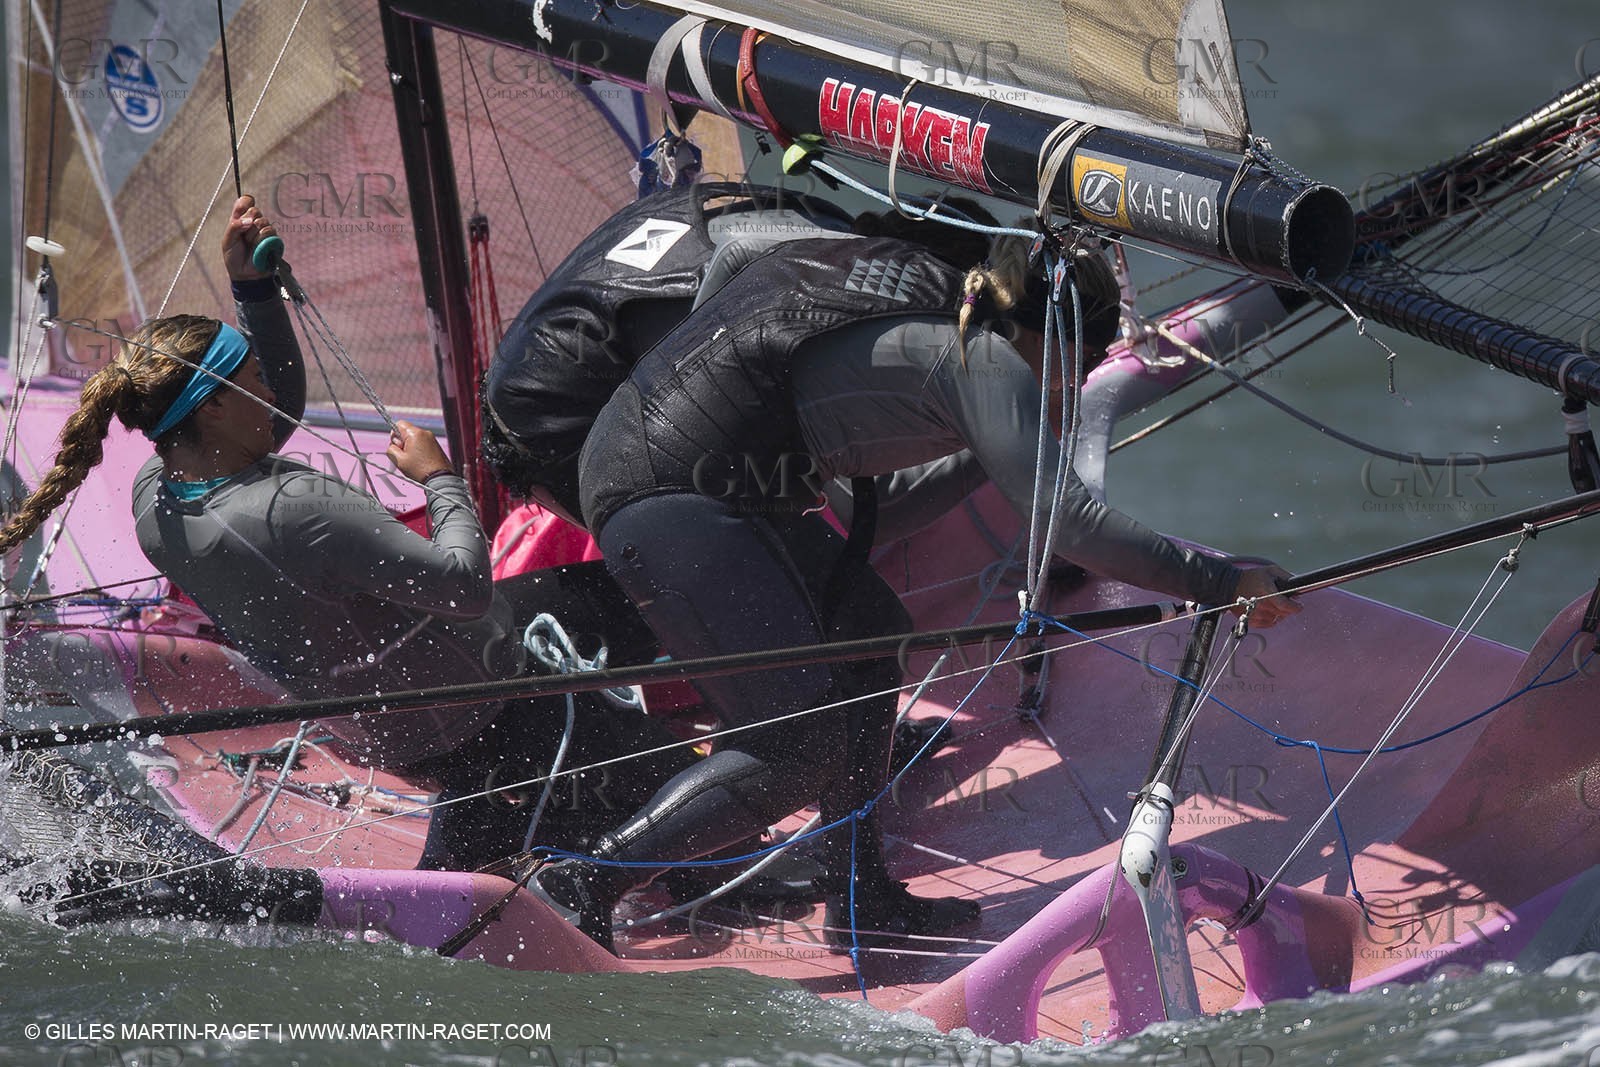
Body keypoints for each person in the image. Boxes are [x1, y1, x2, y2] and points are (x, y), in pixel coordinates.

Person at [533, 229, 1301, 954]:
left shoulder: (928, 302)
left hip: (673, 461)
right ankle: (581, 879)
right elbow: (1072, 525)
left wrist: (704, 377)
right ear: (1064, 337)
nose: (1088, 375)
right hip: (663, 485)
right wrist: (1218, 581)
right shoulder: (988, 361)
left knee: (871, 634)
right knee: (796, 744)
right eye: (1093, 355)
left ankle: (859, 897)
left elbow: (737, 258)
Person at [0, 196, 696, 873]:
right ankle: (589, 825)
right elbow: (462, 583)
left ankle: (496, 816)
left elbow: (280, 406)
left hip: (391, 728)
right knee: (673, 689)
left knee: (600, 599)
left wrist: (256, 293)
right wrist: (439, 478)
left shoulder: (158, 498)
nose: (270, 394)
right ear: (212, 409)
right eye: (251, 383)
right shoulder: (296, 506)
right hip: (488, 705)